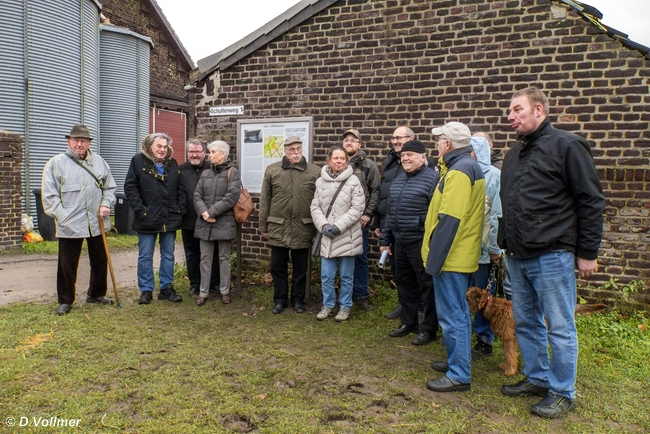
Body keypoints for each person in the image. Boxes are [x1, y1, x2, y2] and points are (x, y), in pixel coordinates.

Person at [498, 87, 605, 419]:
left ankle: (562, 391)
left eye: (517, 110)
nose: (510, 116)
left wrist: (587, 251)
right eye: (509, 111)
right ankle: (538, 378)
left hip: (553, 253)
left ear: (539, 110)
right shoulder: (514, 154)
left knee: (559, 325)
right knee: (527, 322)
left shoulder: (567, 146)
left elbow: (590, 200)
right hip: (517, 254)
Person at [422, 121, 485, 393]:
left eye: (440, 139)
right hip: (457, 254)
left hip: (451, 257)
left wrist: (434, 261)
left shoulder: (459, 171)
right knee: (454, 313)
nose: (437, 144)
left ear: (448, 144)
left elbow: (450, 219)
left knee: (453, 315)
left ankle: (459, 374)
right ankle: (455, 362)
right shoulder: (465, 167)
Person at [41, 124, 117, 315]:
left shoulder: (100, 162)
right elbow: (50, 196)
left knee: (100, 260)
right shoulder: (56, 164)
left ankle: (97, 294)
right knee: (67, 264)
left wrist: (106, 204)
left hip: (96, 221)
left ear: (89, 142)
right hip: (70, 224)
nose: (79, 144)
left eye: (83, 140)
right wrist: (63, 216)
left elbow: (109, 188)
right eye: (76, 140)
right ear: (69, 141)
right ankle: (65, 300)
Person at [379, 140, 440, 345]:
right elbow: (390, 213)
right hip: (399, 242)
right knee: (405, 285)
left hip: (420, 242)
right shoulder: (398, 179)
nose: (405, 158)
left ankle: (429, 329)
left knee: (427, 287)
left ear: (422, 157)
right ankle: (408, 322)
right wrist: (386, 240)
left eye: (410, 155)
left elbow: (437, 213)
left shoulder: (433, 179)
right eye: (403, 155)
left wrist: (420, 226)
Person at [259, 136, 320, 314]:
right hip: (278, 226)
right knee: (278, 266)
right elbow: (265, 200)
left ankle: (298, 299)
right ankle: (279, 299)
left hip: (304, 226)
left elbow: (320, 200)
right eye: (292, 149)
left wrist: (318, 226)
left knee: (301, 267)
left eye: (298, 149)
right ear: (285, 151)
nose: (295, 152)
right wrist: (263, 226)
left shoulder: (314, 171)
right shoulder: (272, 170)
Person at [124, 132, 186, 305]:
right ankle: (146, 290)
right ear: (150, 146)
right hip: (147, 218)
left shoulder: (172, 164)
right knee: (145, 256)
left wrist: (179, 209)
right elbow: (130, 187)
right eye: (159, 146)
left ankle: (166, 287)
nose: (162, 150)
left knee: (168, 255)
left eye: (165, 147)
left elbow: (180, 188)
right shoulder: (138, 161)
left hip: (169, 218)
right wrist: (141, 210)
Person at [310, 145, 365, 322]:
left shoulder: (354, 181)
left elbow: (357, 208)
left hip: (347, 235)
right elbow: (315, 206)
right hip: (327, 235)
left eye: (342, 158)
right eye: (336, 158)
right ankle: (327, 305)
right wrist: (324, 225)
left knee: (347, 276)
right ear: (329, 160)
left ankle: (345, 306)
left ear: (346, 161)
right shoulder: (320, 181)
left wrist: (338, 226)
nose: (339, 161)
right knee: (326, 275)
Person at [193, 141, 240, 306]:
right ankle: (203, 292)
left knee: (224, 258)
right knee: (205, 258)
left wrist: (211, 212)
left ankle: (225, 291)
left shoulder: (233, 172)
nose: (209, 155)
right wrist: (204, 213)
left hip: (224, 223)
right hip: (205, 222)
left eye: (213, 152)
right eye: (209, 152)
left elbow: (232, 196)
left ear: (223, 154)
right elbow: (197, 195)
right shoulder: (205, 173)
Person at [468, 135, 503, 359]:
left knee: (483, 295)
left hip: (483, 249)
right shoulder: (463, 173)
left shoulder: (495, 176)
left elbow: (497, 215)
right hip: (463, 249)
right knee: (468, 294)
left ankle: (484, 339)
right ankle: (465, 332)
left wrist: (495, 248)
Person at [342, 128, 380, 311]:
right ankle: (344, 294)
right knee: (341, 257)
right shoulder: (338, 162)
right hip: (340, 221)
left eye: (353, 140)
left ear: (359, 144)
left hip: (360, 221)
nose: (349, 142)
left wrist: (368, 213)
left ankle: (361, 294)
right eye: (346, 140)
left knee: (360, 257)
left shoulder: (368, 165)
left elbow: (375, 191)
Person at [179, 138, 219, 297]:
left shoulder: (214, 168)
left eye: (197, 151)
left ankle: (214, 282)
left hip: (210, 218)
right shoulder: (180, 169)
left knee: (213, 252)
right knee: (191, 253)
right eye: (191, 151)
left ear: (205, 153)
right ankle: (195, 283)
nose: (194, 155)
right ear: (187, 152)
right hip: (189, 220)